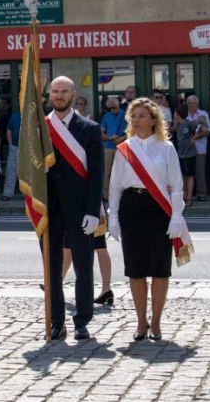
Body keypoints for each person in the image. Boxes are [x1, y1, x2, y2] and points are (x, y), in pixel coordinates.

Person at [108, 97, 191, 342]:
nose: (136, 120)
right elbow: (114, 186)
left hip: (158, 209)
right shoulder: (125, 149)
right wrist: (113, 218)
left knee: (159, 269)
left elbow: (176, 185)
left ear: (154, 120)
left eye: (141, 116)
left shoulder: (166, 148)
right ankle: (140, 321)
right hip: (131, 208)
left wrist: (176, 216)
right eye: (133, 116)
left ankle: (156, 321)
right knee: (135, 270)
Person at [44, 76, 104, 341]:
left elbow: (97, 173)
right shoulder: (39, 128)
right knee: (52, 270)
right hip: (48, 208)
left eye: (64, 91)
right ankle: (56, 321)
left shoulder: (89, 129)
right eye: (55, 91)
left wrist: (93, 210)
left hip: (80, 209)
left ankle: (82, 320)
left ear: (73, 94)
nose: (59, 96)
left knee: (83, 267)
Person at [173, 104, 201, 207]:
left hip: (190, 153)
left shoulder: (188, 124)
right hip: (180, 153)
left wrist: (195, 137)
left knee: (189, 175)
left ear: (179, 115)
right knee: (182, 175)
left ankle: (189, 198)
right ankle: (184, 196)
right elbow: (171, 130)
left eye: (175, 113)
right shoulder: (178, 125)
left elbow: (202, 129)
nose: (174, 114)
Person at [100, 96, 127, 201]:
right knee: (106, 172)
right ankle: (106, 195)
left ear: (118, 105)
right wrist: (109, 137)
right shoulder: (106, 116)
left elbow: (132, 131)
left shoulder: (126, 115)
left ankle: (122, 195)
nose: (112, 110)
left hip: (122, 147)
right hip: (108, 147)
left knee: (121, 172)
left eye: (113, 107)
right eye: (109, 108)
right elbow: (101, 133)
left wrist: (122, 138)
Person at [185, 96, 210, 201]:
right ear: (187, 104)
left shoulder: (203, 114)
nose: (192, 105)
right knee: (186, 172)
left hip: (200, 148)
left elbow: (208, 131)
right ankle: (186, 194)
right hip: (186, 149)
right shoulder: (184, 115)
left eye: (194, 103)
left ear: (197, 103)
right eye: (190, 103)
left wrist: (196, 136)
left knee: (200, 172)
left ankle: (201, 193)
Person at [1, 104, 21, 201]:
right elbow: (9, 129)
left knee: (29, 172)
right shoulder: (15, 115)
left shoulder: (34, 115)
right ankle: (7, 194)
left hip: (29, 148)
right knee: (11, 170)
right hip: (15, 146)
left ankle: (29, 195)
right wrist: (10, 143)